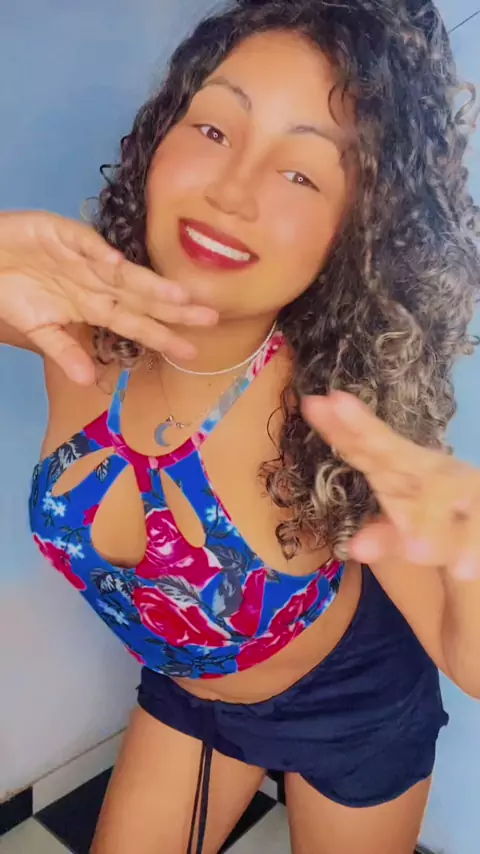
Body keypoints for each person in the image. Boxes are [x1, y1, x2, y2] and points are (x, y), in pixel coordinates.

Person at [1, 1, 480, 852]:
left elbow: (469, 659)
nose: (231, 192)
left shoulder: (341, 416)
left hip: (348, 712)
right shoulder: (76, 322)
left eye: (302, 175)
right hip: (186, 690)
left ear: (356, 234)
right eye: (215, 129)